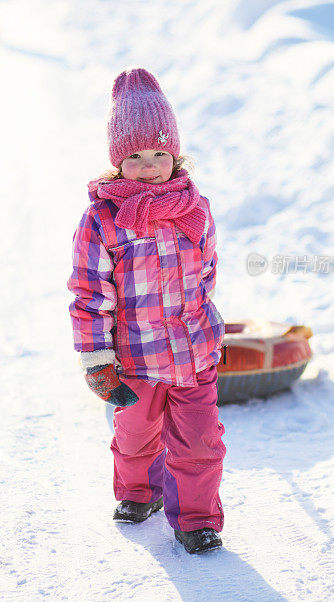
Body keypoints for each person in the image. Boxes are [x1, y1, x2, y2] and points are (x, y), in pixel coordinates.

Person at [68, 68, 226, 554]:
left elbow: (207, 271)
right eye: (134, 157)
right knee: (136, 437)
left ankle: (197, 520)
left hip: (193, 355)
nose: (150, 165)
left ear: (175, 154)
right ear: (118, 162)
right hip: (136, 358)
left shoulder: (193, 208)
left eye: (159, 153)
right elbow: (91, 293)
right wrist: (97, 358)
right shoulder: (104, 219)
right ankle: (140, 492)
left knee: (200, 443)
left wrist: (204, 325)